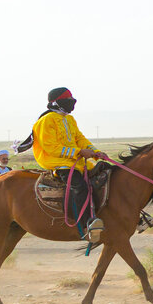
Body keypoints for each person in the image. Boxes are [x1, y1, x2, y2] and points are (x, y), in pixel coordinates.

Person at [20, 87, 107, 241]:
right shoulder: (45, 121)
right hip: (57, 162)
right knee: (79, 186)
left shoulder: (69, 119)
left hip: (75, 161)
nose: (72, 103)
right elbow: (51, 147)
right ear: (57, 102)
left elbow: (80, 139)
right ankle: (87, 224)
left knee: (108, 176)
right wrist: (79, 152)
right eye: (68, 101)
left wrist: (95, 152)